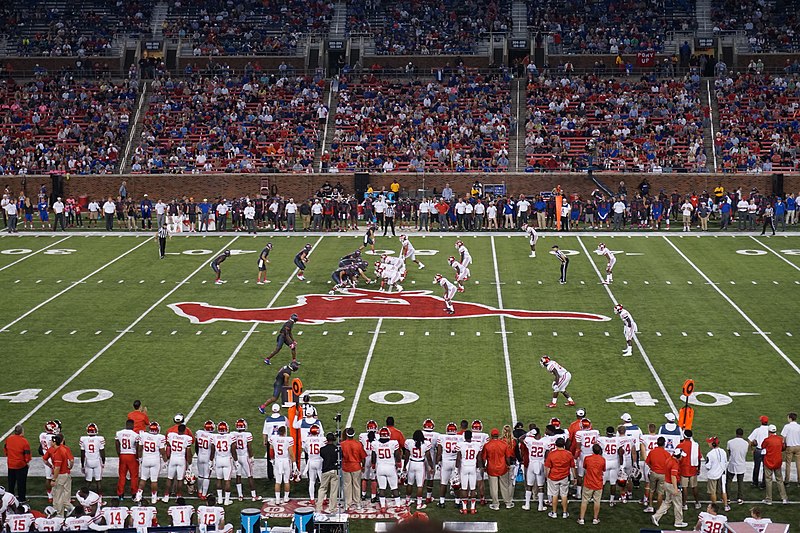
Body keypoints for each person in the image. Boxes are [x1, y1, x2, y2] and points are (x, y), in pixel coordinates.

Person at [652, 449, 687, 528]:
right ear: (679, 456)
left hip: (666, 483)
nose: (682, 457)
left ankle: (656, 516)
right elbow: (673, 476)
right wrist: (675, 489)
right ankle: (678, 522)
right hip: (672, 485)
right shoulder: (675, 464)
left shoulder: (669, 459)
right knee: (678, 503)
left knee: (667, 502)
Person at [134, 421, 166, 505]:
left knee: (143, 478)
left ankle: (138, 496)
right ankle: (154, 498)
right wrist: (166, 461)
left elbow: (140, 449)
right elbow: (163, 452)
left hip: (145, 459)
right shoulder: (160, 437)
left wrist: (140, 458)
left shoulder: (144, 435)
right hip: (155, 460)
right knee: (154, 480)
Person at [482, 428, 513, 510]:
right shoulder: (504, 444)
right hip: (502, 467)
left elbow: (484, 458)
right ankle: (508, 503)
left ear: (491, 435)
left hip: (491, 468)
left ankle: (496, 504)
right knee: (504, 486)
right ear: (498, 435)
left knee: (493, 487)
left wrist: (484, 466)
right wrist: (508, 465)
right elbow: (507, 457)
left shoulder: (487, 445)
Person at [545, 437, 576, 519]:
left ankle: (554, 513)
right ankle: (565, 513)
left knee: (554, 495)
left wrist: (546, 476)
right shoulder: (568, 454)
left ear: (555, 444)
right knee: (564, 495)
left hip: (553, 476)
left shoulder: (551, 454)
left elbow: (548, 467)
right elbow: (572, 467)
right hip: (564, 477)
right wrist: (574, 477)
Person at [456, 429, 483, 515]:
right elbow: (479, 458)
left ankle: (464, 509)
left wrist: (456, 469)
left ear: (464, 436)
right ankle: (472, 508)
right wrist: (479, 467)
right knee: (473, 488)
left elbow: (458, 458)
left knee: (464, 488)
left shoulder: (461, 445)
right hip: (473, 467)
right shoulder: (477, 445)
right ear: (471, 436)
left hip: (464, 467)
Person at [578, 443, 605, 525]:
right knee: (597, 501)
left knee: (584, 501)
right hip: (598, 483)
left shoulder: (587, 458)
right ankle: (595, 519)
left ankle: (581, 518)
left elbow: (585, 467)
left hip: (588, 482)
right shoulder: (602, 459)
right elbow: (603, 469)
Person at [4, 425, 31, 502]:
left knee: (11, 483)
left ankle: (9, 499)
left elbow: (6, 449)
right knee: (21, 483)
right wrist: (27, 462)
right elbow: (27, 454)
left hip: (11, 464)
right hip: (20, 465)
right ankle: (21, 499)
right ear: (21, 432)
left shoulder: (9, 439)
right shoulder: (24, 441)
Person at [341, 427, 366, 510]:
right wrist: (363, 466)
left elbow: (340, 456)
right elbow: (363, 457)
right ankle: (357, 502)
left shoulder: (342, 444)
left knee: (347, 485)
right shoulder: (358, 444)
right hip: (356, 466)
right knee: (356, 485)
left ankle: (347, 503)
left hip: (346, 466)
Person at [762, 424, 788, 504]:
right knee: (779, 480)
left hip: (769, 461)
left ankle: (769, 499)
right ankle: (784, 498)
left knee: (768, 480)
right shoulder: (780, 439)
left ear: (769, 432)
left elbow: (762, 446)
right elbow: (783, 448)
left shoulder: (767, 440)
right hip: (777, 462)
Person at [50, 434, 74, 517]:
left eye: (52, 441)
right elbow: (71, 460)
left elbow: (57, 468)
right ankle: (68, 507)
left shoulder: (58, 452)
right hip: (66, 474)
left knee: (58, 495)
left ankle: (60, 513)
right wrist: (70, 467)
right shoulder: (64, 449)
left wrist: (53, 479)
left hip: (60, 475)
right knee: (66, 494)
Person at [703, 436, 729, 511]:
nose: (708, 443)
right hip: (722, 473)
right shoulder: (723, 451)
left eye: (710, 442)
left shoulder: (710, 454)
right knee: (723, 490)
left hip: (713, 475)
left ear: (713, 444)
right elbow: (725, 462)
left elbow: (708, 466)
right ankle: (726, 506)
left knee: (712, 491)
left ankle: (714, 506)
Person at [115, 419, 139, 499]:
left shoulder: (119, 433)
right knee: (134, 476)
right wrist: (137, 457)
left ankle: (120, 494)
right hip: (132, 455)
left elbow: (117, 444)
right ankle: (134, 494)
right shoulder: (135, 435)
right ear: (132, 425)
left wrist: (119, 454)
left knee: (122, 475)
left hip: (123, 454)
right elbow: (137, 447)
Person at [79, 423, 105, 494]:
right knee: (98, 481)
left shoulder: (83, 439)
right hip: (97, 461)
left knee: (88, 481)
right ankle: (100, 499)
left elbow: (82, 454)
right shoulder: (100, 439)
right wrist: (103, 462)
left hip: (88, 461)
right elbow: (102, 452)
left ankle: (84, 497)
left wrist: (82, 465)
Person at [316, 432, 340, 513]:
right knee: (333, 490)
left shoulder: (322, 449)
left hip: (325, 470)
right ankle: (332, 508)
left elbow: (323, 456)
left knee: (322, 489)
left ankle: (319, 508)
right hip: (334, 470)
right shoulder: (337, 449)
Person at [726, 428, 748, 505]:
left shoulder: (730, 442)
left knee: (728, 481)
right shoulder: (746, 443)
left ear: (736, 433)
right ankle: (740, 498)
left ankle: (727, 498)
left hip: (732, 464)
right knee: (740, 482)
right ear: (742, 434)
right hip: (741, 464)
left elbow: (729, 452)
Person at [749, 415, 771, 488]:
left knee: (756, 467)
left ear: (761, 421)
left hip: (758, 450)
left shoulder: (757, 430)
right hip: (767, 451)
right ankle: (764, 484)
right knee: (766, 468)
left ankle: (755, 482)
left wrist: (751, 449)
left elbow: (750, 440)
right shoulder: (770, 430)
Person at [781, 412, 800, 488]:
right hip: (798, 446)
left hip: (790, 447)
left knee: (788, 464)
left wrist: (783, 444)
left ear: (790, 418)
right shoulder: (799, 426)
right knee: (798, 465)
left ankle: (787, 481)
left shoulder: (787, 426)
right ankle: (799, 481)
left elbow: (784, 437)